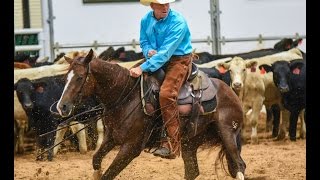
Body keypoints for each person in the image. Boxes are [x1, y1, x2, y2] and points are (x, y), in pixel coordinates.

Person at [129, 0, 193, 159]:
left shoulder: (178, 22)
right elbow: (144, 41)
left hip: (179, 60)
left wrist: (142, 67)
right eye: (161, 4)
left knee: (166, 94)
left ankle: (172, 145)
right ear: (152, 6)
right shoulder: (145, 20)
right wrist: (147, 50)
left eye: (167, 4)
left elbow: (165, 53)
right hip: (156, 59)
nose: (165, 7)